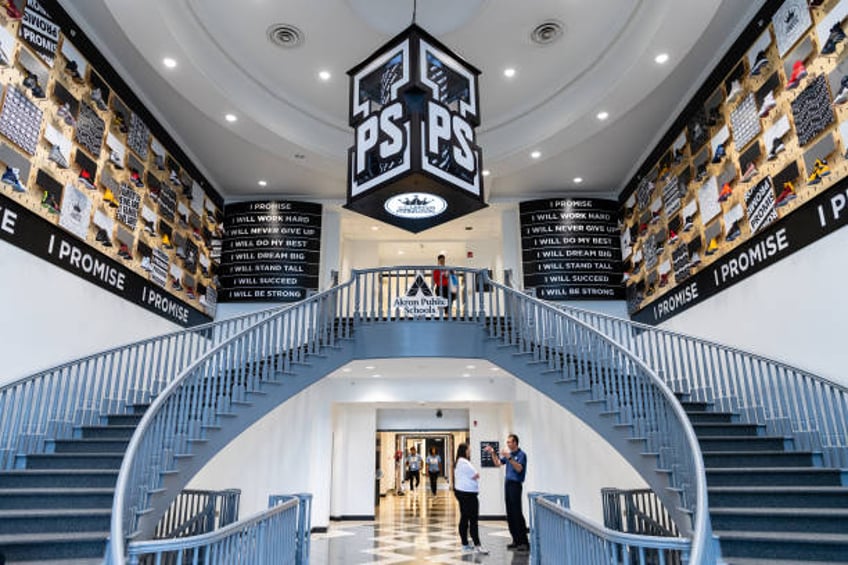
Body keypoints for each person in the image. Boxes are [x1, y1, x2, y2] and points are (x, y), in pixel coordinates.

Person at [485, 434, 529, 551]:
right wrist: (492, 453)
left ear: (515, 443)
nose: (508, 444)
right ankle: (515, 539)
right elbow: (498, 463)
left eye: (510, 442)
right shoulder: (510, 455)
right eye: (507, 442)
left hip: (515, 485)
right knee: (510, 513)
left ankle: (523, 541)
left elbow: (519, 468)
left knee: (517, 512)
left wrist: (509, 457)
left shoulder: (521, 455)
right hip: (508, 484)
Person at [453, 443, 488, 554]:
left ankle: (465, 544)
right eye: (469, 449)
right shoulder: (463, 462)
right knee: (472, 520)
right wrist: (475, 475)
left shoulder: (459, 461)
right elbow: (476, 475)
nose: (470, 451)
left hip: (463, 493)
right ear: (464, 451)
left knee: (465, 518)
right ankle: (477, 545)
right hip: (468, 495)